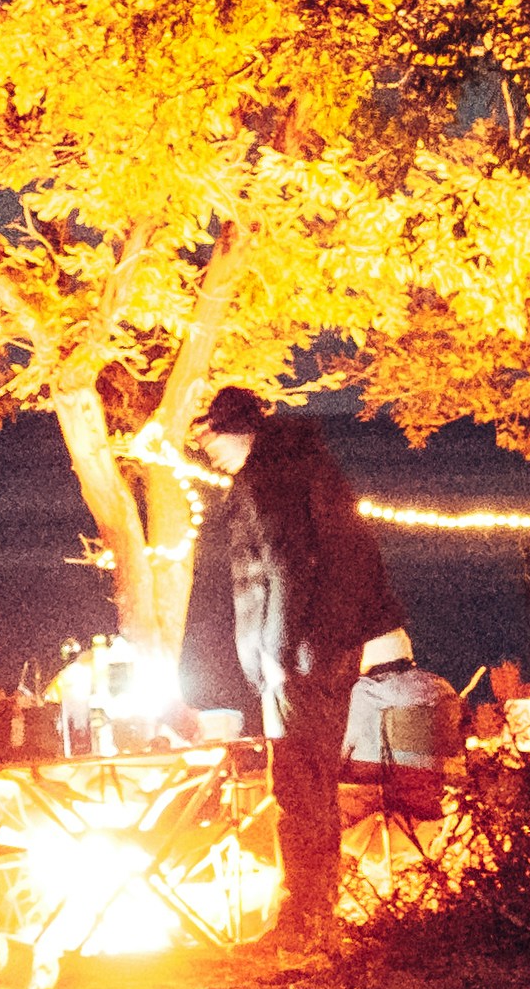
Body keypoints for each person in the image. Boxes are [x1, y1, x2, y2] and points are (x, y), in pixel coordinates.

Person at [174, 385, 410, 944]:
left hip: (303, 658)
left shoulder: (266, 480)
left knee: (300, 783)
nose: (204, 444)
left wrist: (276, 657)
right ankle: (314, 912)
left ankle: (306, 916)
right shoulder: (299, 467)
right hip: (322, 650)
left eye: (209, 431)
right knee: (312, 783)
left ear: (237, 429)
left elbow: (286, 565)